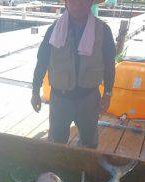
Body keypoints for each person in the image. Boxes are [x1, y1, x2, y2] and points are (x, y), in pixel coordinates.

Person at [31, 0, 116, 148]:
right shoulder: (53, 29)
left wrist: (108, 93)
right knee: (56, 143)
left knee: (89, 143)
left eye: (84, 0)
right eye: (73, 0)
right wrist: (35, 91)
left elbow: (109, 64)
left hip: (88, 98)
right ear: (66, 2)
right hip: (60, 99)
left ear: (91, 3)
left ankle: (84, 170)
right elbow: (42, 61)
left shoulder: (103, 30)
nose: (79, 4)